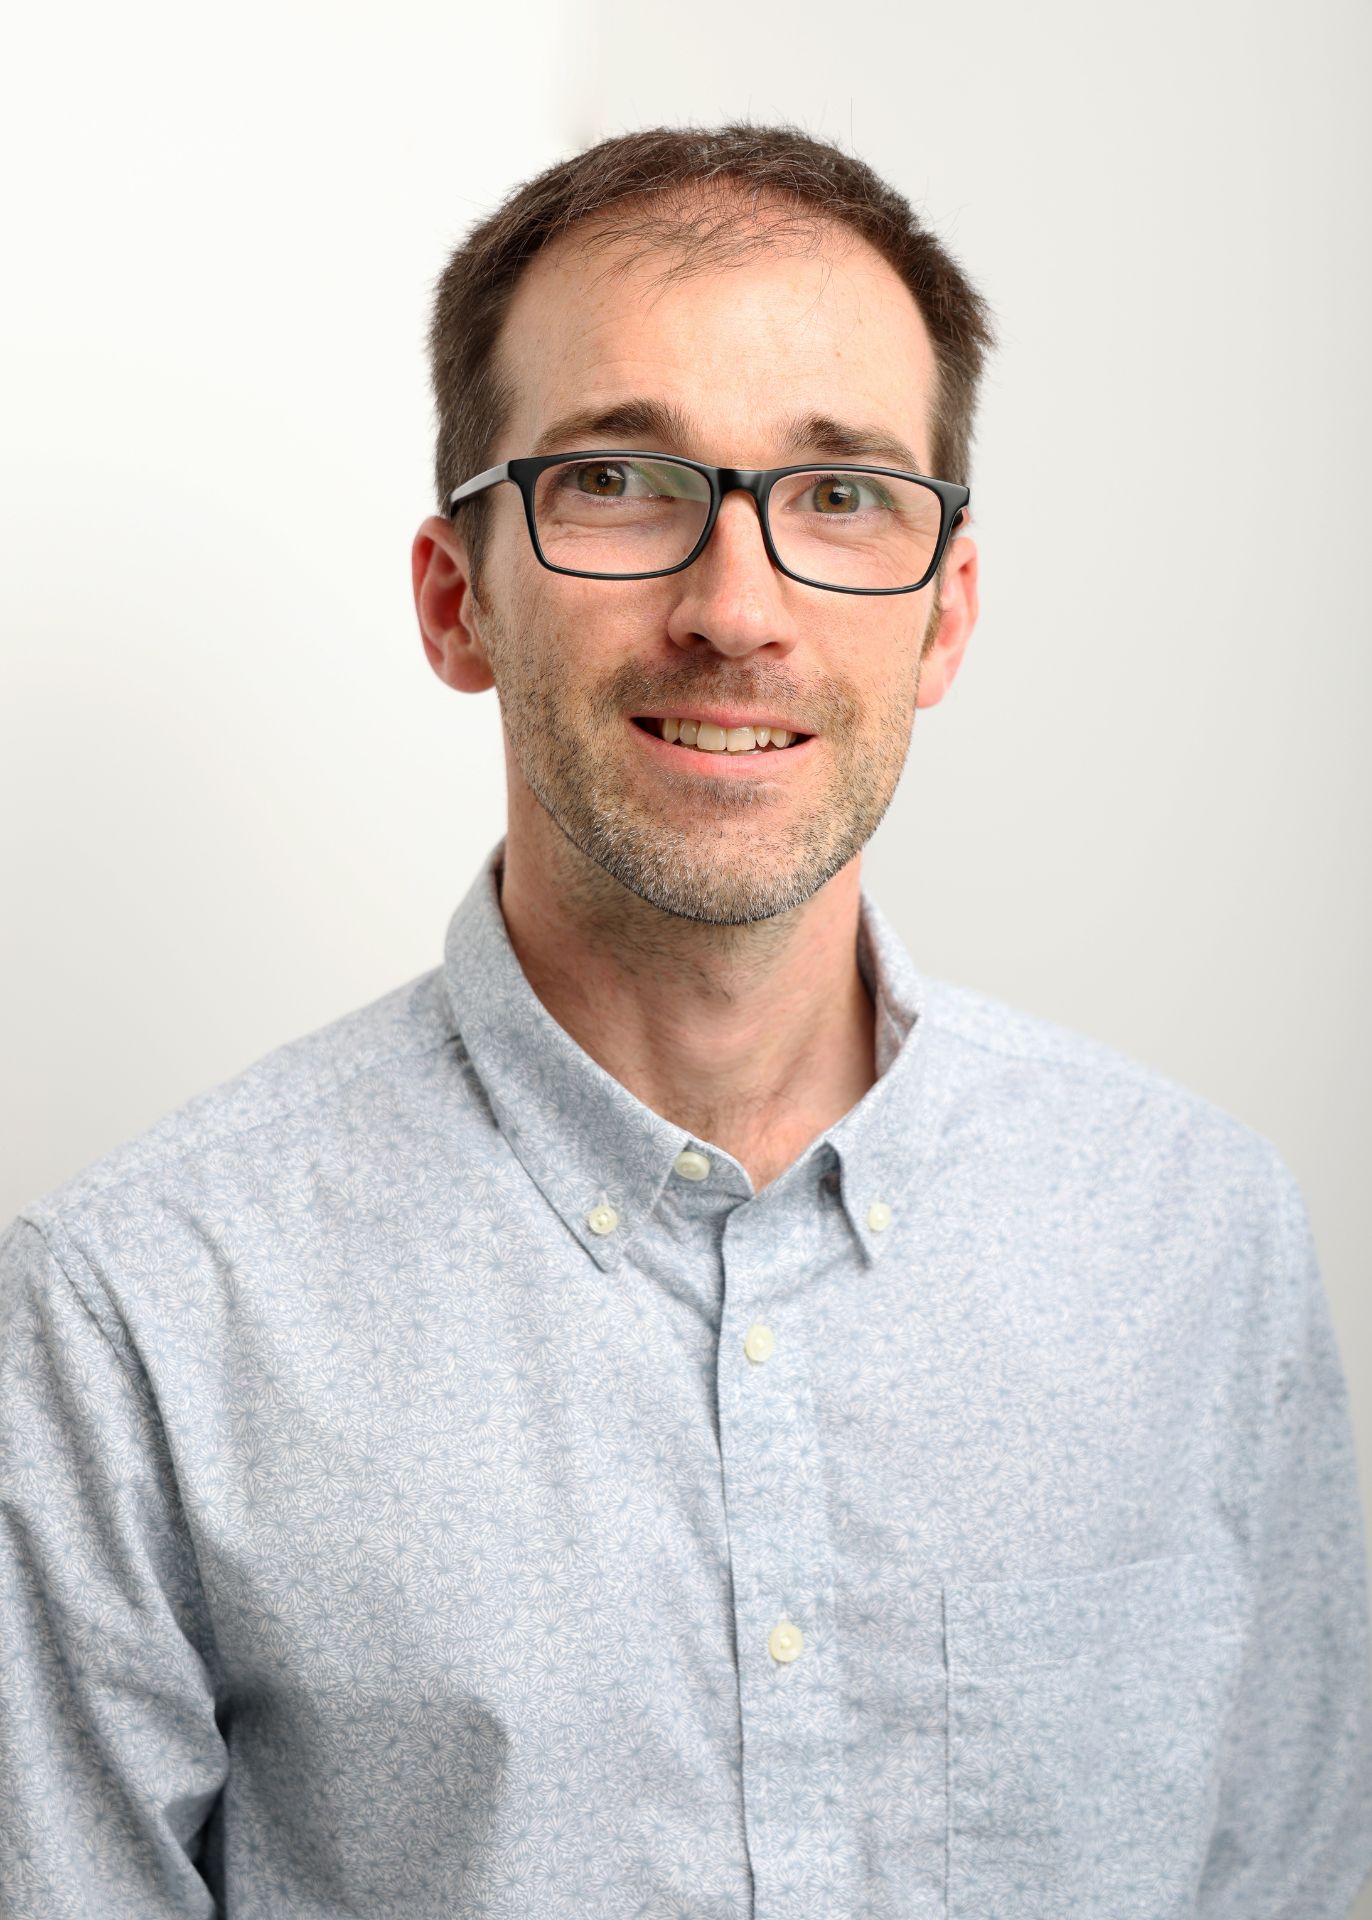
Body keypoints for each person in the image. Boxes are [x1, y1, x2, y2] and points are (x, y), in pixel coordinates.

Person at [1, 121, 1369, 1920]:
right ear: (457, 601)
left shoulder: (1200, 1243)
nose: (737, 610)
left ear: (946, 618)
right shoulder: (134, 1319)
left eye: (842, 495)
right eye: (621, 482)